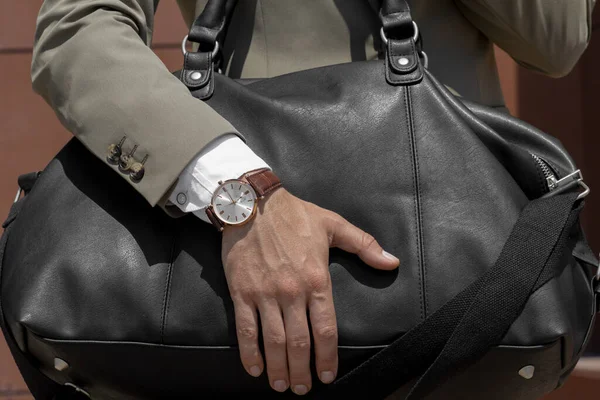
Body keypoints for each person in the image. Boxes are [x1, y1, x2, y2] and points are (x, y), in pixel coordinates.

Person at [31, 0, 595, 396]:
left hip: (456, 264)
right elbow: (79, 25)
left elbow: (556, 41)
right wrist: (242, 195)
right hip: (237, 246)